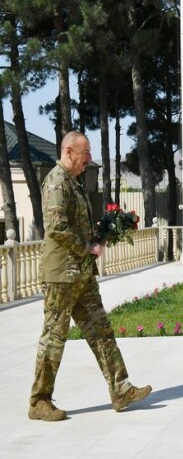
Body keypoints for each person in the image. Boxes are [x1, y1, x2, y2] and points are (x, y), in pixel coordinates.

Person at [28, 131, 151, 421]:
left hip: (81, 274)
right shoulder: (57, 182)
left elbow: (75, 225)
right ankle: (39, 401)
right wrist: (87, 247)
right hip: (61, 275)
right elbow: (56, 227)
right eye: (85, 154)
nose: (89, 159)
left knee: (101, 331)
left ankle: (120, 389)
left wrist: (99, 236)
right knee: (54, 337)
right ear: (69, 151)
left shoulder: (75, 182)